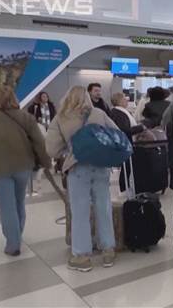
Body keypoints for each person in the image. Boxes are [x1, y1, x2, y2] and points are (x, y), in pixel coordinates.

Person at [45, 86, 120, 272]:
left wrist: (68, 151)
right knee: (103, 207)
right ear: (87, 97)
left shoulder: (61, 117)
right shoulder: (99, 113)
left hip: (78, 168)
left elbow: (51, 149)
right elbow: (116, 133)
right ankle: (108, 250)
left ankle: (82, 256)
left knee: (80, 212)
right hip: (101, 166)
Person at [0, 86, 51, 256]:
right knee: (18, 202)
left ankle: (13, 244)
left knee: (6, 205)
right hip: (22, 165)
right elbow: (40, 143)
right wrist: (46, 162)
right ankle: (17, 235)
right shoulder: (25, 117)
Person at [109, 92, 146, 192]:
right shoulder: (119, 114)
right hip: (124, 144)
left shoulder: (118, 112)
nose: (127, 101)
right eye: (124, 99)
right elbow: (124, 130)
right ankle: (124, 187)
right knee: (127, 166)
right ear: (119, 101)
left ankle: (124, 186)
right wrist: (140, 128)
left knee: (128, 167)